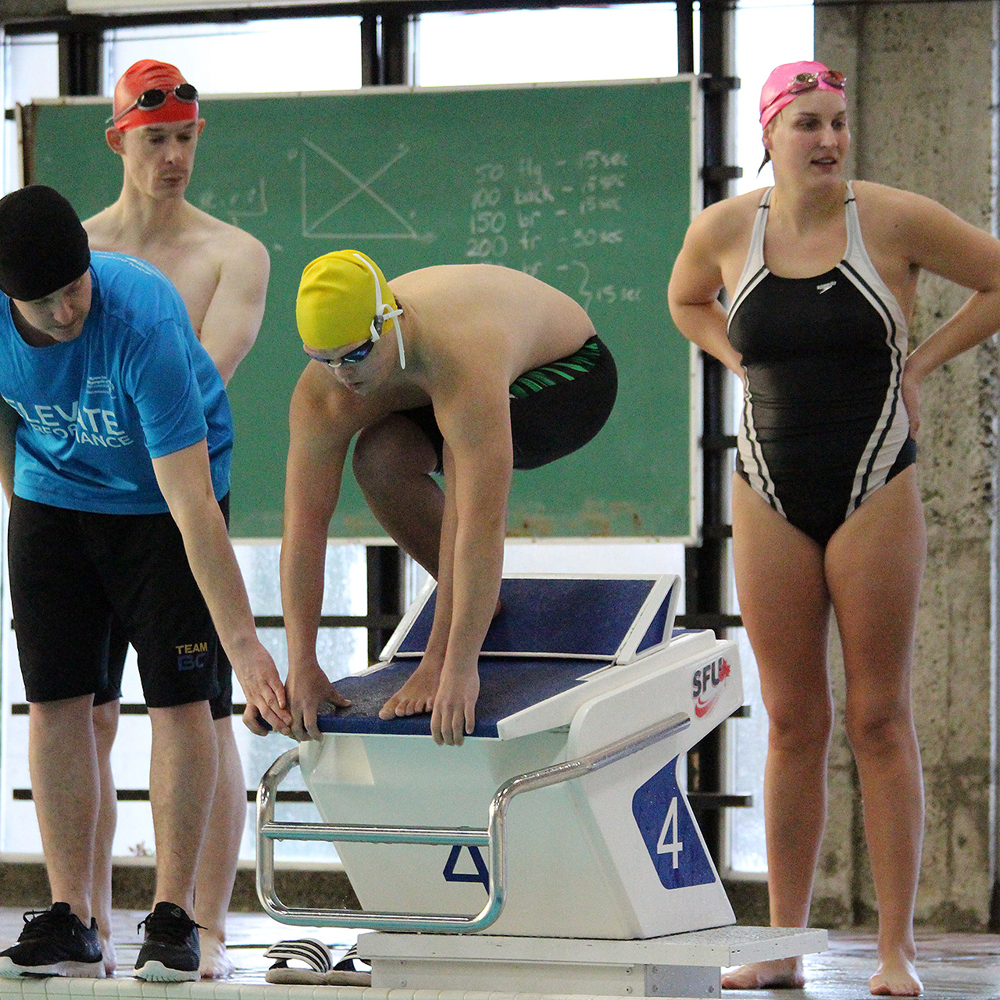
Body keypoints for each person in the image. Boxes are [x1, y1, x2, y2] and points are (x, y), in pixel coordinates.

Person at [668, 60, 1000, 997]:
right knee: (791, 722)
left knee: (879, 717)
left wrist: (919, 365)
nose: (828, 140)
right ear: (769, 134)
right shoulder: (725, 229)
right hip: (766, 487)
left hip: (875, 485)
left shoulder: (891, 219)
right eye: (808, 123)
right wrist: (735, 358)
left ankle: (895, 950)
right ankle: (781, 943)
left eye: (838, 123)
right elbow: (685, 298)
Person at [0, 185, 291, 982]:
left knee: (180, 700)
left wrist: (245, 646)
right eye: (45, 301)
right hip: (54, 494)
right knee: (56, 699)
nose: (67, 312)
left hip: (163, 499)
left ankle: (173, 917)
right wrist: (30, 518)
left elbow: (192, 505)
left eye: (76, 287)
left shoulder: (142, 317)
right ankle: (72, 916)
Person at [82, 58, 271, 980]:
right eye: (155, 137)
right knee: (85, 715)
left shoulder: (233, 254)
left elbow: (197, 382)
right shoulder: (74, 250)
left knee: (197, 710)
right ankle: (83, 912)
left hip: (180, 499)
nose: (174, 156)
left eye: (186, 137)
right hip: (84, 502)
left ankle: (206, 921)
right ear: (117, 139)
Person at [281, 250, 617, 747]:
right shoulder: (323, 394)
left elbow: (479, 521)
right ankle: (480, 604)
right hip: (434, 379)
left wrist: (453, 664)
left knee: (463, 458)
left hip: (571, 372)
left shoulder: (461, 354)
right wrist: (302, 663)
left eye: (354, 354)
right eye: (323, 359)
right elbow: (304, 527)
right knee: (380, 459)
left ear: (390, 320)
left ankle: (453, 637)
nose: (343, 374)